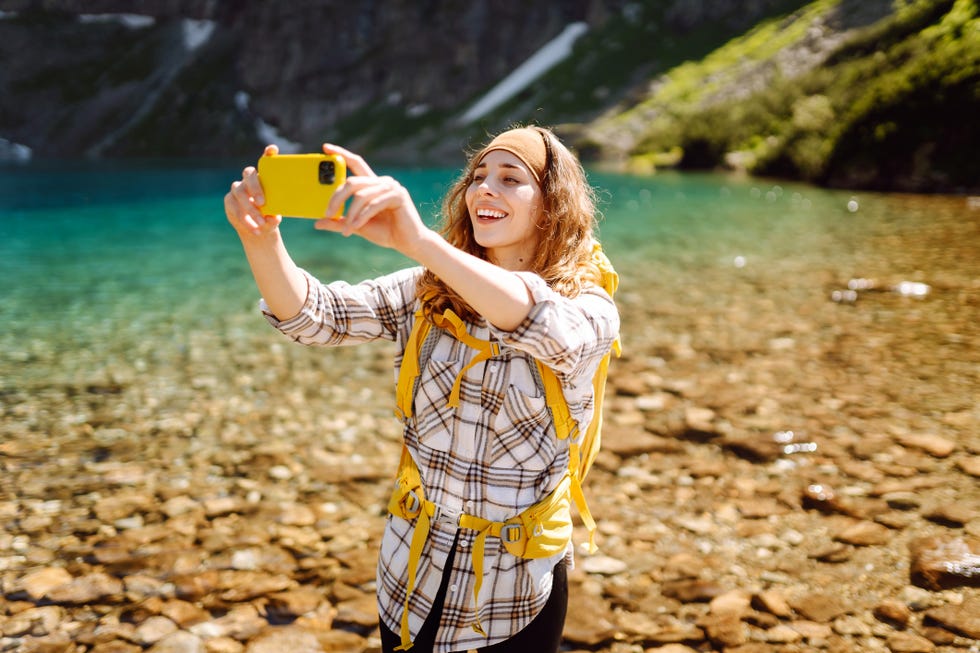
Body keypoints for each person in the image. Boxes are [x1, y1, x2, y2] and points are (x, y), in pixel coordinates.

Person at [224, 126, 620, 653]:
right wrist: (261, 240)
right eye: (478, 176)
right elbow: (314, 318)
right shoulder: (426, 289)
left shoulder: (590, 308)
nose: (485, 189)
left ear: (554, 203)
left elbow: (539, 322)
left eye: (510, 178)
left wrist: (418, 241)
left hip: (510, 596)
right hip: (410, 573)